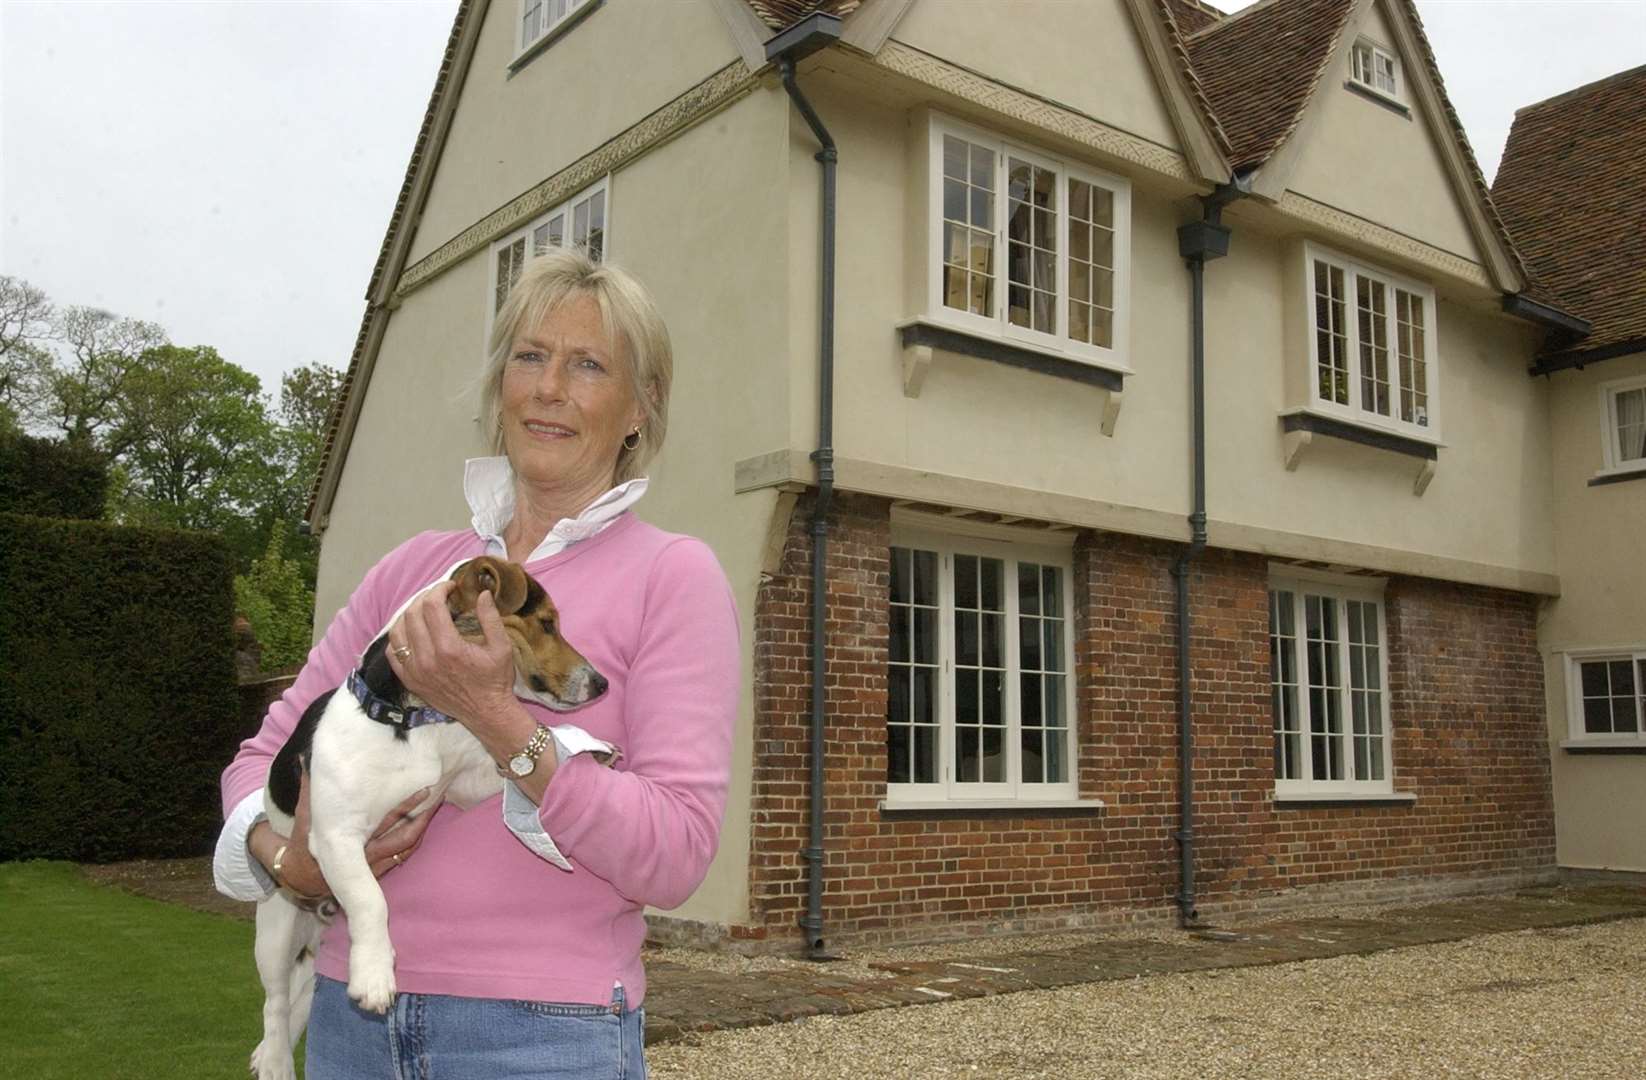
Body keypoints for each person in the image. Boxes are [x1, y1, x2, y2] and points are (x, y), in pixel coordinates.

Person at [214, 247, 738, 1079]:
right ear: (500, 383)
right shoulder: (410, 571)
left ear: (640, 408)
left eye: (588, 365)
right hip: (354, 1021)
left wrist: (499, 718)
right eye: (529, 356)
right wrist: (290, 861)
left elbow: (675, 854)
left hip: (547, 1036)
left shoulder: (672, 577)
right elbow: (260, 759)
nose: (549, 388)